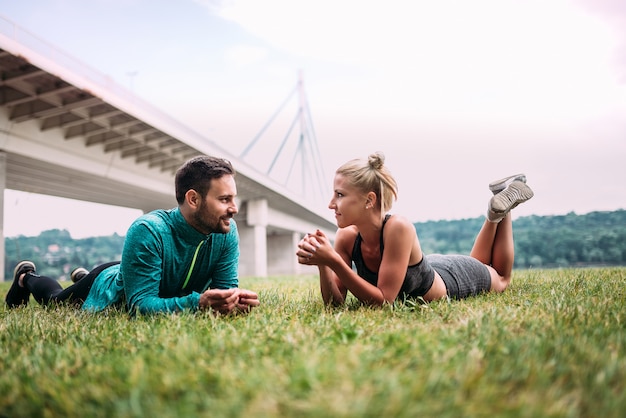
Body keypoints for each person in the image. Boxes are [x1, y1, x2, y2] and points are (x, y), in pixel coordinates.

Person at [6, 155, 260, 315]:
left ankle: (82, 275)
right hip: (109, 285)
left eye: (233, 198)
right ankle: (27, 277)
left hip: (134, 272)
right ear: (193, 199)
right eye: (225, 199)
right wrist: (198, 304)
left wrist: (231, 301)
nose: (234, 209)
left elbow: (225, 290)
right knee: (55, 302)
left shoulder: (226, 232)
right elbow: (141, 304)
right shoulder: (149, 230)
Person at [296, 151, 534, 306]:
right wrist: (324, 264)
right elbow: (335, 306)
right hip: (435, 266)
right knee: (481, 263)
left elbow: (384, 301)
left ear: (369, 201)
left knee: (500, 278)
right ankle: (496, 208)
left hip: (453, 277)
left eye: (339, 195)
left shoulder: (398, 228)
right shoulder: (346, 237)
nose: (331, 204)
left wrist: (335, 262)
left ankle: (501, 210)